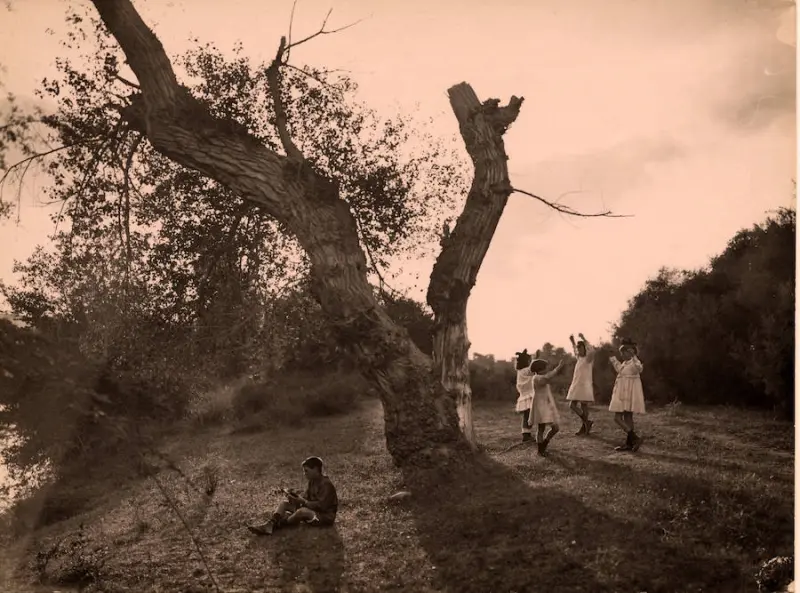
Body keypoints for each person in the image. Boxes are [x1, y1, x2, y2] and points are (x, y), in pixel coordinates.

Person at [248, 456, 338, 535]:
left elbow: (321, 506)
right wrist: (295, 499)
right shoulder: (312, 482)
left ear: (316, 469)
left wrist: (303, 502)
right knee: (284, 504)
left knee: (302, 511)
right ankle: (271, 524)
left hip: (324, 517)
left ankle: (279, 524)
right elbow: (306, 497)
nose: (304, 474)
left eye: (306, 471)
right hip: (313, 511)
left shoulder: (326, 484)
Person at [608, 339, 646, 452]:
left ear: (629, 353)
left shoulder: (635, 363)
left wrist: (634, 356)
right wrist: (613, 359)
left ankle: (634, 438)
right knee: (627, 417)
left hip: (628, 394)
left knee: (618, 418)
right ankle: (630, 443)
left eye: (623, 353)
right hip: (622, 393)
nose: (622, 355)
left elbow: (639, 368)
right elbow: (619, 369)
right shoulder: (624, 364)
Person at [527, 357, 565, 456]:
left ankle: (543, 444)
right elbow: (548, 377)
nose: (547, 369)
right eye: (545, 367)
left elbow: (548, 377)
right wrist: (558, 368)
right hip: (540, 406)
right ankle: (540, 448)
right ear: (540, 369)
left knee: (555, 428)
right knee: (541, 428)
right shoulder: (537, 378)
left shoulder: (540, 378)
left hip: (545, 405)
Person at [566, 332, 596, 435]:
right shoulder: (579, 358)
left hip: (585, 385)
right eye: (578, 349)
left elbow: (592, 350)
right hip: (577, 384)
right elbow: (574, 349)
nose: (578, 350)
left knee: (584, 406)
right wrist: (573, 341)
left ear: (585, 349)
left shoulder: (588, 359)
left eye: (581, 348)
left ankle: (584, 427)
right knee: (572, 405)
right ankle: (586, 422)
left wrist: (583, 338)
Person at [514, 349, 535, 442]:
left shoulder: (520, 371)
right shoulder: (527, 370)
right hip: (529, 395)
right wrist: (535, 357)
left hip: (524, 394)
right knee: (529, 415)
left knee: (527, 416)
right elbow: (534, 367)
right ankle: (526, 434)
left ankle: (526, 433)